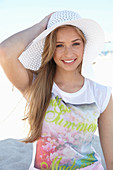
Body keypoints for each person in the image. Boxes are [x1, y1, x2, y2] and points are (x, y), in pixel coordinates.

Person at [0, 10, 113, 170]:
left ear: (84, 45)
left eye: (75, 43)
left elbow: (111, 159)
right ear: (50, 48)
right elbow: (5, 51)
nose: (68, 53)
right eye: (59, 45)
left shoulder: (101, 93)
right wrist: (42, 25)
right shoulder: (37, 86)